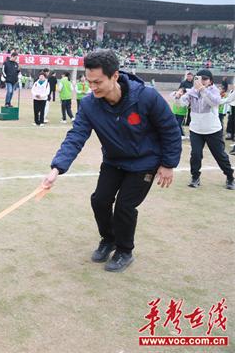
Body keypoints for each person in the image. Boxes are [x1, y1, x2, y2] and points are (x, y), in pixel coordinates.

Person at [42, 50, 182, 272]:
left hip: (144, 162)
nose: (92, 87)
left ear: (115, 76)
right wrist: (57, 168)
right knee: (99, 200)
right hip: (114, 160)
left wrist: (168, 164)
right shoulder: (89, 104)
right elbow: (76, 136)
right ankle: (109, 239)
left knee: (125, 206)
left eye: (98, 82)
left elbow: (170, 130)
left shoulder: (146, 97)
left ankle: (125, 251)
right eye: (89, 82)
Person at [172, 69, 234, 190]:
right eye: (199, 78)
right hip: (196, 130)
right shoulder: (192, 92)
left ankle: (230, 177)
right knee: (195, 155)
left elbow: (214, 102)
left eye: (205, 79)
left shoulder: (214, 91)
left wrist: (202, 89)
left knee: (220, 155)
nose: (202, 81)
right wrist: (178, 97)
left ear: (210, 81)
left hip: (213, 130)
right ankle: (195, 177)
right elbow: (181, 104)